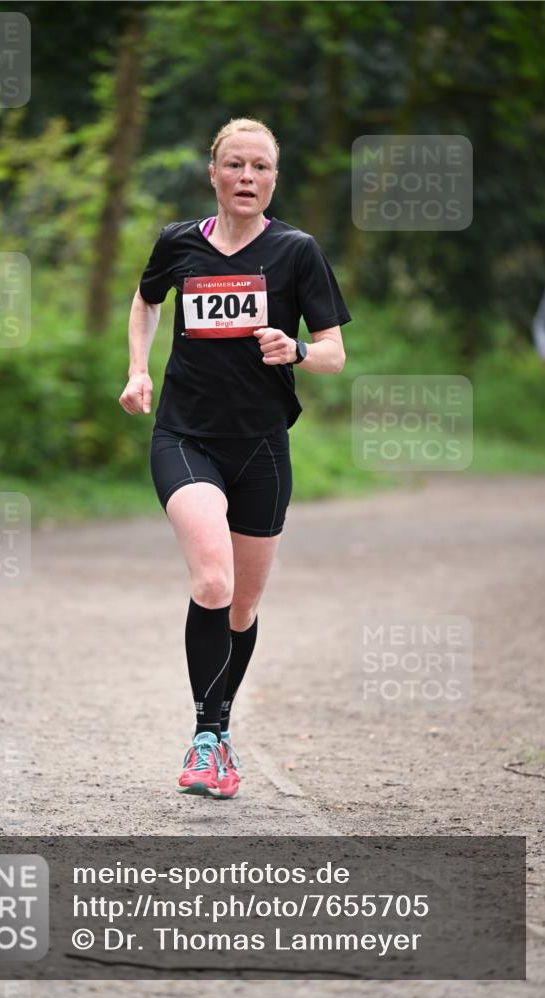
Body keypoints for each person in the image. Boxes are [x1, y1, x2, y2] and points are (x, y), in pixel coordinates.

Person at [119, 117, 351, 799]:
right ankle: (205, 738)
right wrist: (138, 371)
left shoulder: (296, 251)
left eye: (260, 167)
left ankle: (217, 734)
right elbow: (145, 300)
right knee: (213, 583)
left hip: (261, 448)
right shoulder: (177, 245)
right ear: (213, 174)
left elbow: (334, 353)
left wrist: (298, 350)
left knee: (243, 606)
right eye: (235, 165)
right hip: (185, 437)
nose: (247, 177)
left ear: (273, 179)